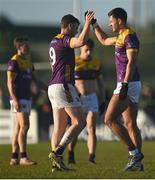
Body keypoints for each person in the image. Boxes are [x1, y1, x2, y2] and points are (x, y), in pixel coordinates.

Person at [91, 7, 144, 171]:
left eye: (111, 21)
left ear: (119, 20)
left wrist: (125, 84)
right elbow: (104, 40)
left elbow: (131, 62)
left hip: (127, 84)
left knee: (109, 119)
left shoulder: (129, 35)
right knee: (130, 124)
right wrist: (94, 24)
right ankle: (136, 163)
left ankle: (134, 153)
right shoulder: (121, 36)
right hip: (130, 83)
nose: (110, 23)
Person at [48, 12, 94, 172]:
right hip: (63, 86)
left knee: (59, 128)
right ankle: (58, 152)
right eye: (76, 26)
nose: (77, 29)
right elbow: (81, 41)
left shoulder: (53, 40)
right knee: (80, 121)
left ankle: (56, 164)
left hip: (53, 87)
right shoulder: (63, 39)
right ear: (68, 26)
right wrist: (88, 23)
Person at [7, 36, 47, 166]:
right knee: (25, 126)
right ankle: (23, 157)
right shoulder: (14, 62)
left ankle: (14, 157)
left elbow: (37, 81)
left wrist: (49, 89)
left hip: (26, 98)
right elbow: (9, 82)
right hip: (18, 98)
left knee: (19, 128)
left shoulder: (29, 62)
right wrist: (14, 99)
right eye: (25, 45)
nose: (28, 47)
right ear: (19, 47)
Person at [67, 38, 106, 164]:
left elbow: (100, 83)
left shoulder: (96, 63)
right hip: (78, 99)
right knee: (77, 127)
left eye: (91, 50)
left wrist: (102, 100)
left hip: (92, 98)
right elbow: (68, 82)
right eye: (86, 50)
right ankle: (71, 153)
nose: (89, 52)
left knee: (91, 127)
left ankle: (91, 157)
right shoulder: (74, 62)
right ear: (80, 49)